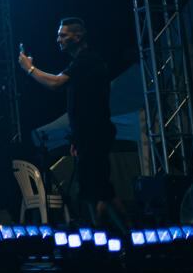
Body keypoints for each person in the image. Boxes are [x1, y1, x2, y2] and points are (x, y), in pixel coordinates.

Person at [18, 17, 122, 227]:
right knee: (93, 190)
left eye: (63, 35)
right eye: (58, 35)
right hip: (86, 136)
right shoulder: (78, 63)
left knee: (101, 190)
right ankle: (104, 234)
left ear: (79, 36)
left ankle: (128, 235)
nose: (59, 39)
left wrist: (30, 69)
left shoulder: (87, 60)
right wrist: (76, 139)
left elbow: (56, 83)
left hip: (95, 135)